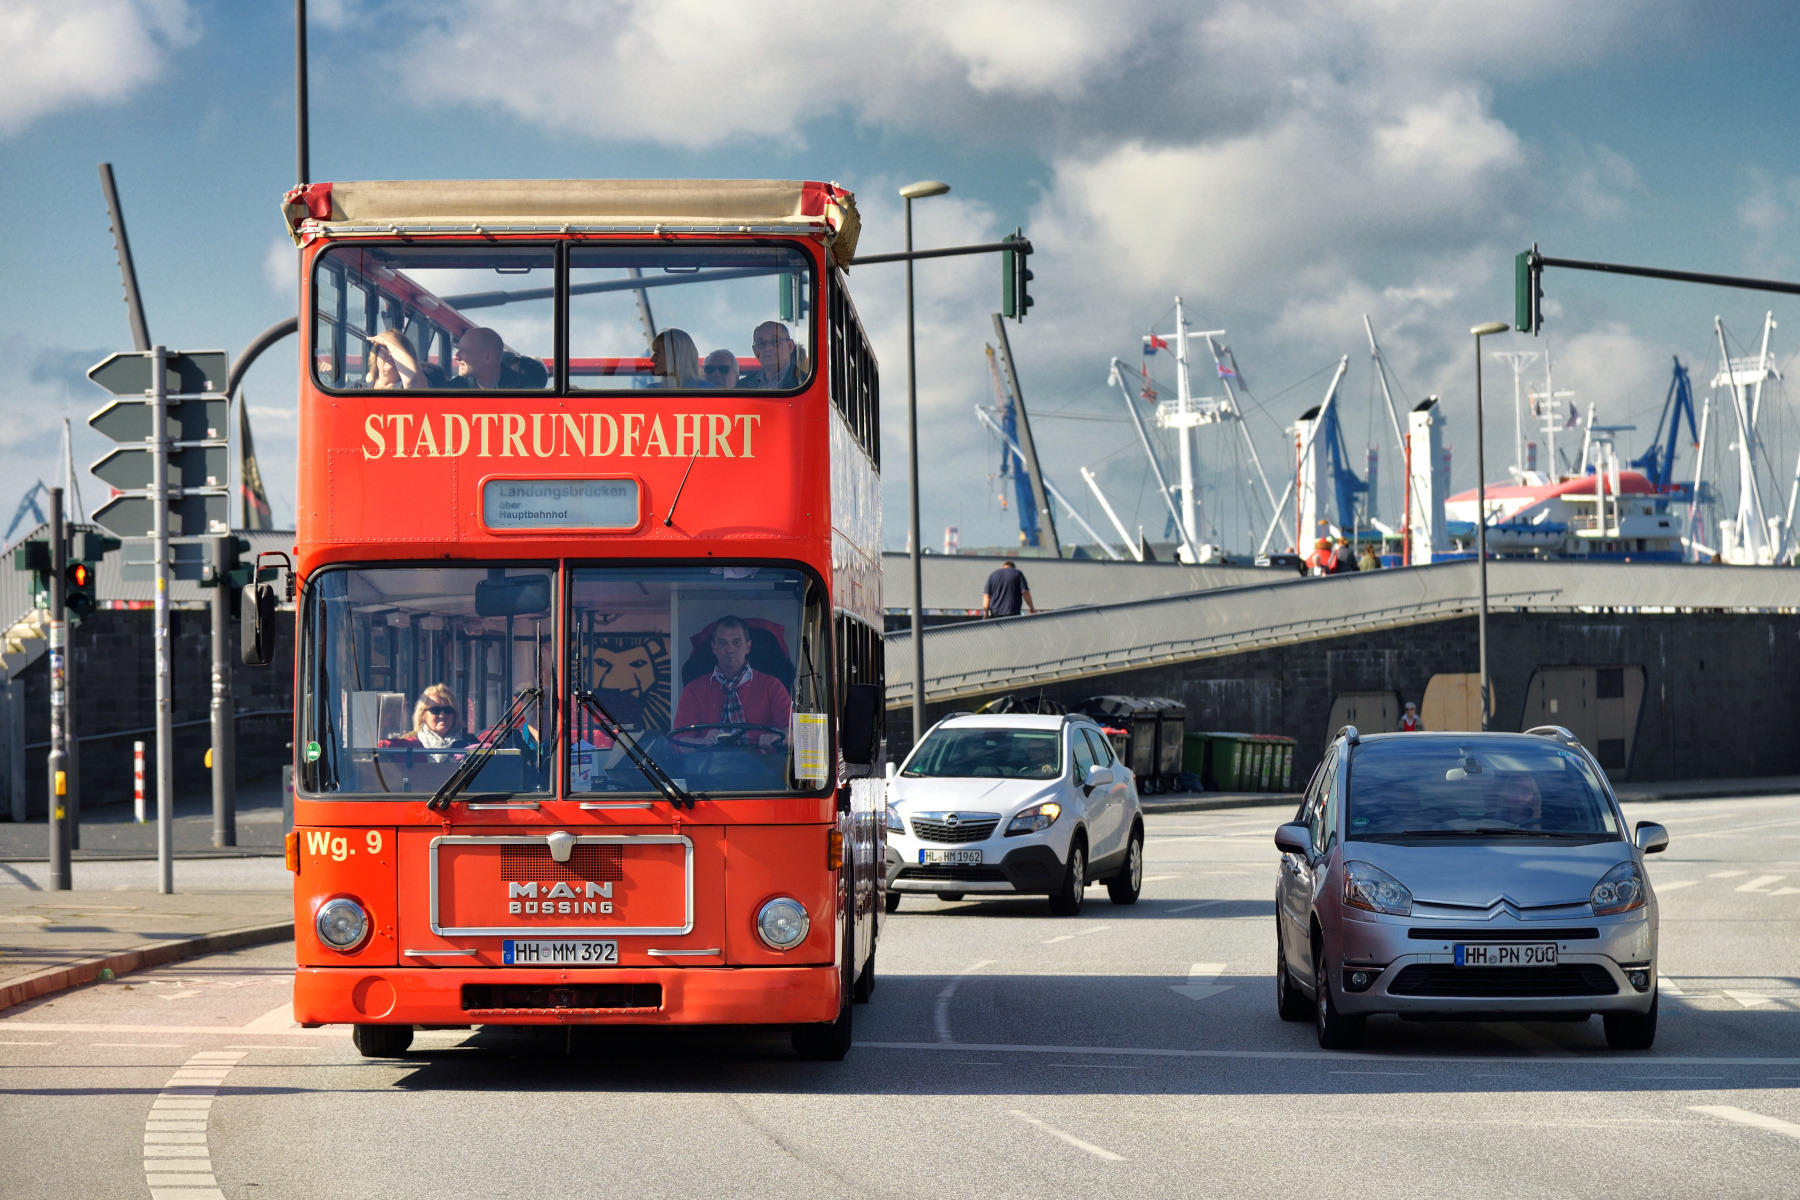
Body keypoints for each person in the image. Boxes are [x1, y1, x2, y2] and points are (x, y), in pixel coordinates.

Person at [671, 616, 793, 741]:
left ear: (748, 647)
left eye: (736, 642)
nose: (729, 649)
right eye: (723, 642)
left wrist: (776, 738)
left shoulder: (772, 686)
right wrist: (702, 742)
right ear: (713, 647)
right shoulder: (694, 689)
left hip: (762, 759)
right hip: (708, 760)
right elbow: (678, 741)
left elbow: (793, 733)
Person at [379, 684, 477, 762]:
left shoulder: (470, 741)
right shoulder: (407, 743)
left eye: (448, 709)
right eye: (435, 710)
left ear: (455, 713)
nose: (442, 715)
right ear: (422, 715)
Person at [446, 326, 542, 389]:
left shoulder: (525, 389)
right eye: (457, 349)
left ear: (487, 357)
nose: (456, 356)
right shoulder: (453, 388)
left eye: (464, 351)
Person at [743, 321, 800, 388]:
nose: (768, 348)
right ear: (754, 350)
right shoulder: (742, 386)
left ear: (790, 346)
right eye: (761, 343)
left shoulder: (806, 382)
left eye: (775, 341)